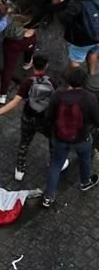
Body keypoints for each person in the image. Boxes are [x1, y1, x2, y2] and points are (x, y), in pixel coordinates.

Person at [0, 54, 61, 181]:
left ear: (32, 65)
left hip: (28, 117)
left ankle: (20, 169)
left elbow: (15, 102)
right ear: (46, 66)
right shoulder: (52, 82)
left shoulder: (27, 82)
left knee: (24, 143)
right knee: (53, 140)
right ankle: (55, 163)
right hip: (46, 119)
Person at [42, 67, 99, 207]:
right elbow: (97, 120)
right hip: (82, 138)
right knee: (85, 158)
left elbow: (49, 116)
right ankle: (85, 182)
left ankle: (48, 197)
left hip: (60, 137)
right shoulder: (89, 98)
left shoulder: (57, 95)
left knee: (56, 164)